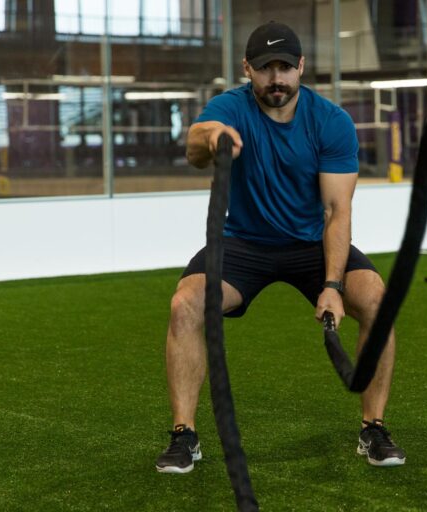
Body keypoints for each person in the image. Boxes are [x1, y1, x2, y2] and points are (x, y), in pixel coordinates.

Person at [155, 21, 404, 474]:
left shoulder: (331, 122)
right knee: (185, 306)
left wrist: (332, 284)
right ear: (247, 68)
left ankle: (374, 427)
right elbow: (194, 146)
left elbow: (336, 212)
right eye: (266, 68)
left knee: (376, 302)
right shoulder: (229, 107)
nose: (277, 79)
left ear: (301, 67)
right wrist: (212, 138)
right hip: (244, 243)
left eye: (285, 67)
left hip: (313, 243)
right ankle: (183, 435)